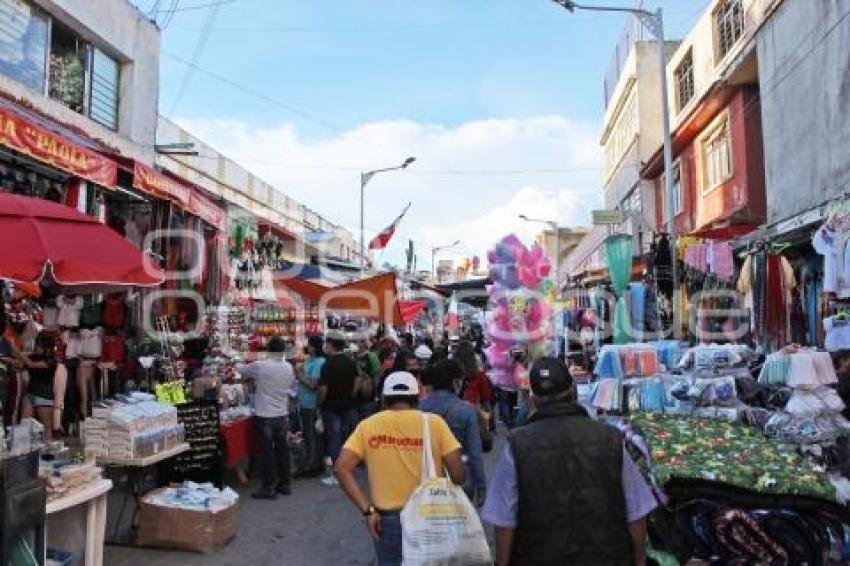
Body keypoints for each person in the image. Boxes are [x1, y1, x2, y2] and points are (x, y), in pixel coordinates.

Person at [482, 357, 657, 566]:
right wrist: (639, 561)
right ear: (573, 391)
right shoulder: (609, 438)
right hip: (606, 556)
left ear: (532, 399)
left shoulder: (517, 445)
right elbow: (636, 512)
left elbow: (503, 520)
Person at [334, 371, 465, 566]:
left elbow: (341, 468)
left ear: (385, 398)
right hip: (430, 514)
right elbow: (458, 475)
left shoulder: (368, 426)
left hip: (388, 520)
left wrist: (368, 511)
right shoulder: (434, 424)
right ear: (417, 395)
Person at [237, 336, 297, 499]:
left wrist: (236, 357)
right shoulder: (288, 367)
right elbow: (291, 388)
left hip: (265, 415)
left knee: (267, 452)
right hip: (281, 414)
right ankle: (285, 484)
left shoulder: (261, 366)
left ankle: (268, 487)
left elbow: (241, 369)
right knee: (282, 450)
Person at [420, 360, 487, 506]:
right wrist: (481, 486)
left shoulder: (420, 406)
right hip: (460, 477)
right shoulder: (466, 410)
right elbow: (474, 453)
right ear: (456, 382)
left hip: (426, 477)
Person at [318, 332, 359, 486]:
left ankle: (338, 474)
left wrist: (320, 404)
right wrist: (349, 397)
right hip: (346, 405)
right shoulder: (350, 362)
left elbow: (323, 390)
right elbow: (357, 383)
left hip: (331, 407)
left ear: (330, 344)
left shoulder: (328, 365)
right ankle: (347, 470)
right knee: (345, 439)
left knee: (334, 440)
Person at [21, 332, 67, 439]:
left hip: (44, 397)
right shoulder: (33, 356)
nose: (36, 347)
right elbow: (23, 364)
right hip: (30, 394)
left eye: (39, 346)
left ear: (47, 348)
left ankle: (49, 452)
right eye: (36, 345)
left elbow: (30, 364)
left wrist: (15, 350)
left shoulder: (51, 361)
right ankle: (25, 451)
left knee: (47, 427)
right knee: (24, 425)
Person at [295, 335, 325, 477]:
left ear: (314, 347)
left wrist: (299, 375)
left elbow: (313, 385)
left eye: (309, 345)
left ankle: (312, 465)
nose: (307, 347)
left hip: (311, 404)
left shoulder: (319, 362)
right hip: (304, 403)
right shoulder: (309, 360)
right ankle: (312, 463)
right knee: (307, 435)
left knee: (311, 436)